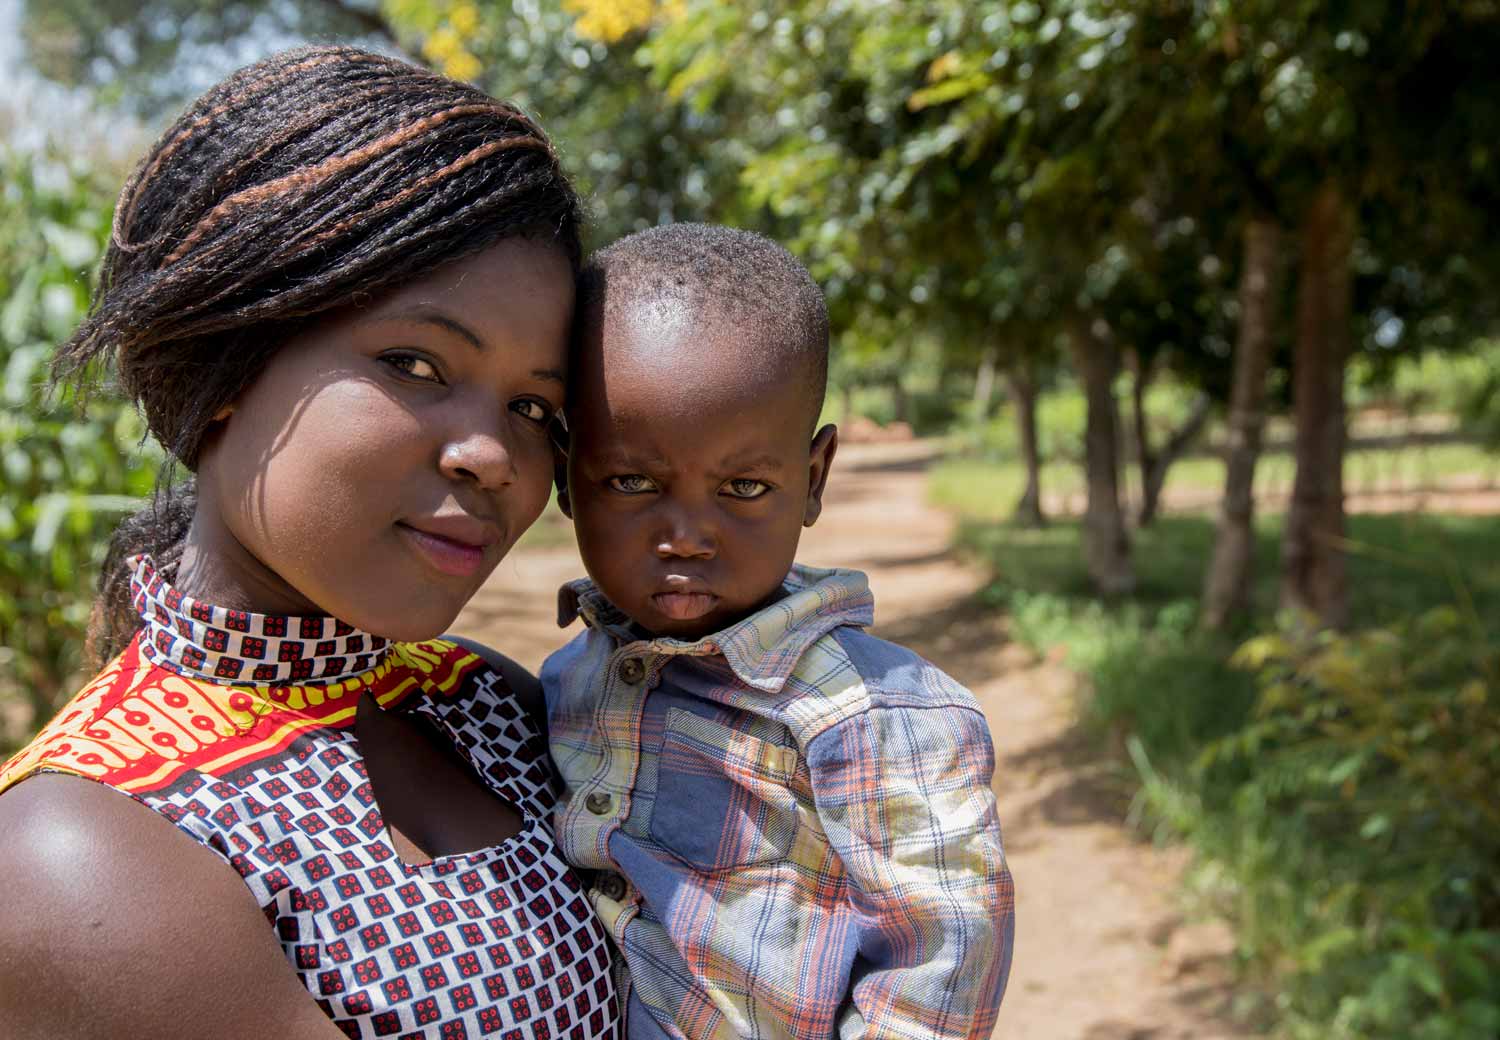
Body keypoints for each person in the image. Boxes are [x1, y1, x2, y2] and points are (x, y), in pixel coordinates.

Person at [0, 47, 619, 1040]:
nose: (494, 453)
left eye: (533, 404)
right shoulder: (79, 846)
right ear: (229, 357)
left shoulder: (482, 704)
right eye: (416, 362)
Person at [542, 223, 1015, 1040]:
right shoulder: (567, 675)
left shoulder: (871, 716)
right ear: (565, 478)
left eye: (745, 486)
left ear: (814, 478)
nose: (687, 533)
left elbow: (942, 971)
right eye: (630, 480)